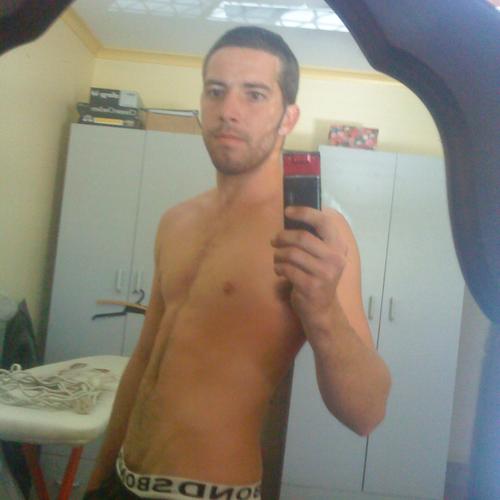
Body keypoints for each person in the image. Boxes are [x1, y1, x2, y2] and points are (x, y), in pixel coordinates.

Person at [84, 25, 391, 500]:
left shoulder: (313, 234)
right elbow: (143, 362)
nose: (229, 110)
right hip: (121, 481)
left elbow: (366, 413)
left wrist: (323, 309)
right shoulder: (176, 221)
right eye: (216, 91)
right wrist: (98, 478)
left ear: (288, 117)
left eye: (254, 94)